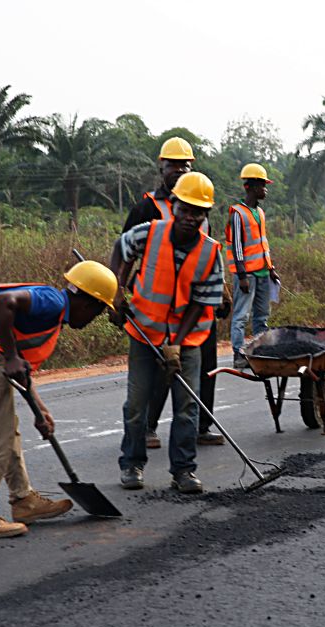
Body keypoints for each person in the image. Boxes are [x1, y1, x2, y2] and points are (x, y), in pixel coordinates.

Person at [0, 261, 117, 538]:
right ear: (88, 303)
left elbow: (22, 373)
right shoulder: (53, 302)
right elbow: (4, 301)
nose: (95, 318)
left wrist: (40, 411)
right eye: (100, 311)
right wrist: (9, 356)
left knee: (6, 426)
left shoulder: (48, 319)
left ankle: (24, 501)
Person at [109, 172, 224, 494]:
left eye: (197, 212)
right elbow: (121, 249)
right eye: (185, 209)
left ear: (205, 215)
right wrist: (116, 290)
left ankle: (184, 471)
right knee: (136, 404)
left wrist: (175, 343)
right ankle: (132, 463)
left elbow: (202, 303)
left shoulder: (211, 252)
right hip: (144, 331)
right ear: (173, 206)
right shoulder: (149, 234)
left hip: (188, 340)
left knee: (186, 407)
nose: (190, 217)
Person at [121, 137, 229, 448]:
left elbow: (209, 254)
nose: (180, 170)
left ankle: (200, 426)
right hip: (157, 306)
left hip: (196, 306)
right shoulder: (146, 208)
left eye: (186, 165)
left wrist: (221, 289)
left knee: (203, 365)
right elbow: (126, 250)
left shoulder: (200, 203)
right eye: (174, 165)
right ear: (162, 168)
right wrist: (121, 293)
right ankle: (148, 427)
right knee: (160, 366)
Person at [227, 163, 280, 369]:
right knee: (241, 315)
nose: (265, 189)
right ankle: (239, 354)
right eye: (263, 185)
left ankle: (259, 352)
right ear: (251, 186)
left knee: (261, 316)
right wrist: (241, 275)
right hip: (247, 274)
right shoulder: (238, 213)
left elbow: (263, 244)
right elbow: (237, 246)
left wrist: (271, 268)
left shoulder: (260, 212)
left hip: (263, 272)